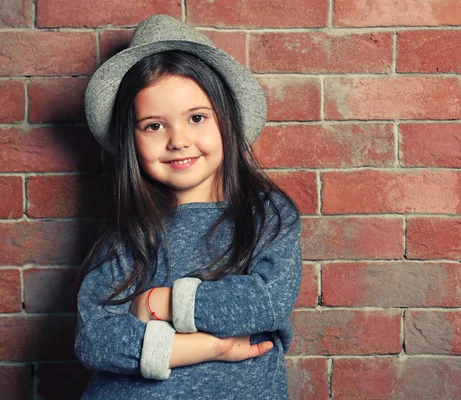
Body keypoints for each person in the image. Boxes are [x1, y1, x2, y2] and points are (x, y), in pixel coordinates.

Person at [73, 14, 302, 399]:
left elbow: (265, 302)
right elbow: (95, 338)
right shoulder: (130, 228)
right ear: (132, 140)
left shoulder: (267, 214)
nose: (178, 140)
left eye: (196, 118)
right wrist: (212, 346)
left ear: (225, 120)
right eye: (154, 126)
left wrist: (156, 301)